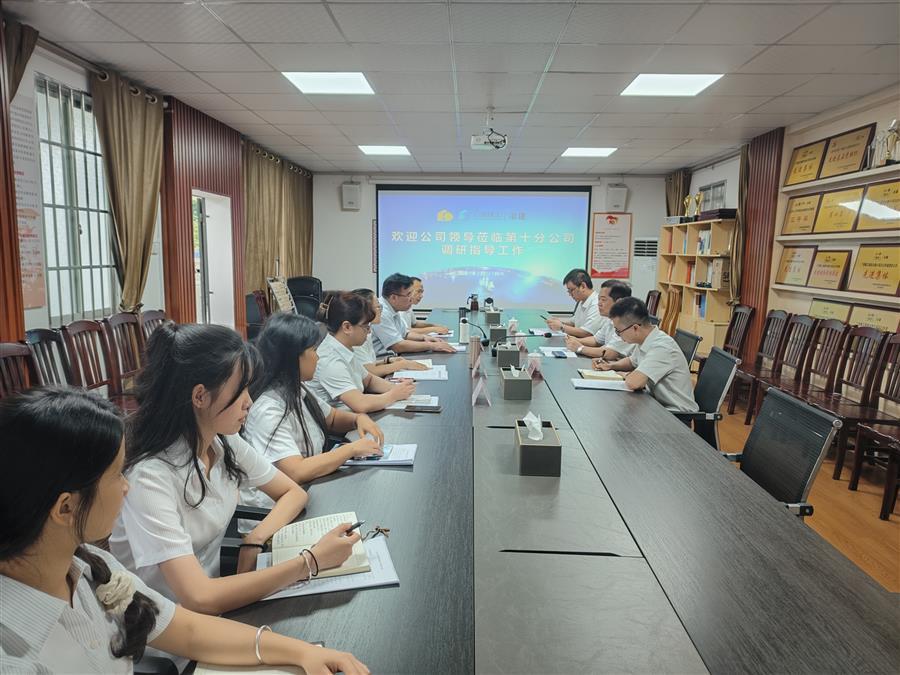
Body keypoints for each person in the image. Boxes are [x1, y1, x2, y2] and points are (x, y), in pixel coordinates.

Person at [0, 386, 368, 675]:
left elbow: (188, 630)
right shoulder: (13, 652)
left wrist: (302, 652)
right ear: (65, 508)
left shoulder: (89, 564)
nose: (126, 486)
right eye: (116, 475)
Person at [109, 323, 358, 616]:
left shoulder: (222, 440)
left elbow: (293, 493)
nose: (249, 402)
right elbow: (199, 597)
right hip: (167, 628)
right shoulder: (149, 477)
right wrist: (310, 561)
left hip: (219, 603)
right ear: (200, 396)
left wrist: (255, 539)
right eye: (241, 390)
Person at [241, 312, 385, 500]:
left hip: (311, 490)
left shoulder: (296, 388)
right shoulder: (268, 409)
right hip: (278, 507)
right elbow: (296, 471)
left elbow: (331, 418)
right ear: (294, 357)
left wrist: (358, 419)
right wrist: (351, 450)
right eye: (314, 350)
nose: (318, 358)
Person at [310, 292, 417, 413]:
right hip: (345, 421)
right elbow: (360, 404)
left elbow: (369, 380)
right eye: (365, 326)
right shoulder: (330, 360)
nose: (369, 331)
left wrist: (398, 389)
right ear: (347, 327)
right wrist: (393, 395)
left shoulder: (344, 348)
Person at [594, 297, 699, 413]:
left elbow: (634, 383)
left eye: (618, 331)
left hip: (675, 415)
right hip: (656, 405)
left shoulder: (662, 347)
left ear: (635, 328)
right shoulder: (646, 339)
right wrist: (611, 366)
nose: (618, 335)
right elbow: (632, 361)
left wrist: (625, 374)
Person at [371, 273, 456, 354]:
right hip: (381, 360)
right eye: (408, 294)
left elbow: (405, 334)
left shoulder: (394, 308)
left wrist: (425, 338)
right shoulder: (381, 312)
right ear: (393, 297)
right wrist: (432, 346)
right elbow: (397, 346)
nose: (411, 298)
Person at [352, 288, 430, 377]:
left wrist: (388, 361)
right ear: (365, 310)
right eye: (378, 307)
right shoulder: (356, 335)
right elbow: (370, 372)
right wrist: (402, 365)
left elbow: (367, 365)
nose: (381, 310)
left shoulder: (367, 330)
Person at [565, 280, 632, 358]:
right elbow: (596, 340)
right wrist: (575, 340)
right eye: (599, 299)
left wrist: (580, 348)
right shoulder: (610, 319)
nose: (599, 303)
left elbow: (611, 352)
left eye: (603, 300)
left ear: (619, 302)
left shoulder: (627, 323)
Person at [545, 269, 601, 338]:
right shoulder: (582, 301)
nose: (570, 294)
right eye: (568, 291)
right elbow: (573, 323)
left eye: (571, 290)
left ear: (583, 286)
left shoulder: (596, 303)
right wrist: (558, 323)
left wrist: (561, 327)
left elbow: (587, 333)